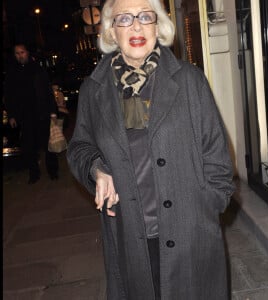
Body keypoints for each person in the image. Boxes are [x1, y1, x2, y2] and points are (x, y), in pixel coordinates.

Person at [67, 0, 235, 299]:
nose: (136, 26)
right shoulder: (94, 90)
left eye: (146, 16)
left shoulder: (188, 80)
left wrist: (209, 206)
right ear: (110, 31)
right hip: (130, 233)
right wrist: (97, 168)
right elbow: (79, 146)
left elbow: (217, 155)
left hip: (189, 230)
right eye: (124, 19)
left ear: (159, 25)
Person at [4, 44, 59, 183]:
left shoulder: (38, 69)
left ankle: (53, 171)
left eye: (22, 52)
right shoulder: (12, 73)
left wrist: (53, 111)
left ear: (27, 53)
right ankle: (34, 174)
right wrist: (11, 115)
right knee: (29, 147)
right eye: (17, 53)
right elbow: (9, 96)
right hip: (25, 116)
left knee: (49, 145)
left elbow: (48, 91)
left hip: (42, 112)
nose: (20, 55)